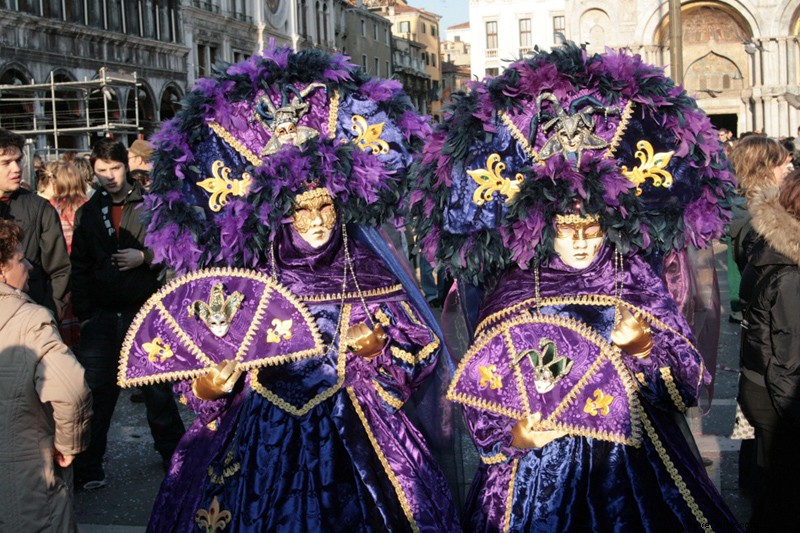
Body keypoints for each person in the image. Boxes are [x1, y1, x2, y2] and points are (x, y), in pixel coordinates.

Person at [122, 47, 460, 531]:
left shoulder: (366, 271)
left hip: (357, 431)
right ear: (281, 214)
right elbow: (199, 360)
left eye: (326, 209)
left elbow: (420, 349)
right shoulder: (248, 276)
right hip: (258, 432)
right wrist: (209, 384)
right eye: (303, 212)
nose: (318, 222)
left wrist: (379, 348)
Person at [409, 43, 741, 531]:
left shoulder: (633, 278)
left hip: (629, 459)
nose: (582, 242)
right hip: (537, 467)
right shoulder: (517, 288)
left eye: (592, 228)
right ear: (547, 227)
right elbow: (485, 381)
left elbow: (682, 381)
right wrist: (511, 436)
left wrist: (646, 345)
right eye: (569, 229)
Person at [70, 137, 185, 490]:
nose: (109, 177)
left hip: (144, 309)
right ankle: (89, 466)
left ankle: (176, 458)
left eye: (115, 168)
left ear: (126, 167)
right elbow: (79, 266)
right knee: (96, 393)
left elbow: (175, 249)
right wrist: (85, 314)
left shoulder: (151, 205)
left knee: (156, 390)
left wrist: (145, 258)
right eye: (101, 171)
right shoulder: (89, 212)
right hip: (103, 316)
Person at [0, 219, 92, 533]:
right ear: (2, 269)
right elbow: (72, 388)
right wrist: (68, 444)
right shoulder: (32, 320)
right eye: (20, 258)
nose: (28, 266)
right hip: (25, 475)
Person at [738, 170, 800, 531]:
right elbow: (788, 365)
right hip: (776, 396)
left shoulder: (773, 248)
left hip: (763, 386)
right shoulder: (790, 274)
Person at [0, 128, 70, 317]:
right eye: (6, 162)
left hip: (29, 314)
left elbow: (60, 269)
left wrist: (50, 312)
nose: (16, 168)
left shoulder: (39, 208)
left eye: (18, 160)